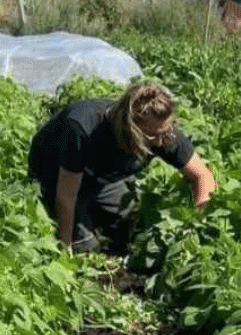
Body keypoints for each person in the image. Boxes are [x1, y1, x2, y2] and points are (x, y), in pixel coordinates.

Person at [28, 81, 215, 254]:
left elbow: (202, 176)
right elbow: (66, 197)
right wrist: (65, 250)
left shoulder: (160, 131)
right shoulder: (81, 127)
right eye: (151, 137)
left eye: (165, 132)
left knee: (130, 226)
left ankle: (94, 210)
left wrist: (194, 226)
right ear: (129, 128)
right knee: (84, 247)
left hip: (103, 177)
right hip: (56, 174)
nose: (160, 142)